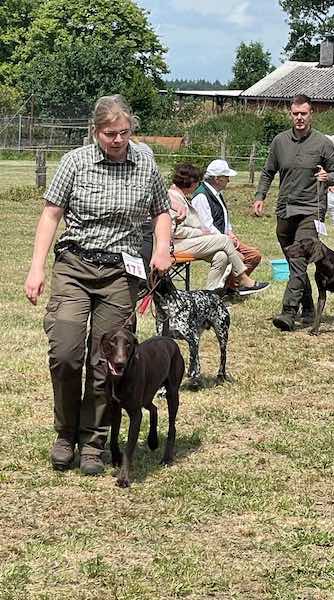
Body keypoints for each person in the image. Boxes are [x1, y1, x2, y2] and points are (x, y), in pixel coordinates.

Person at [24, 95, 173, 476]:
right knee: (66, 351)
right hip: (75, 265)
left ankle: (94, 440)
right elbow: (51, 213)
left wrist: (161, 249)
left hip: (120, 274)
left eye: (124, 133)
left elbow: (161, 212)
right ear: (96, 132)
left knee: (109, 361)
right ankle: (65, 433)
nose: (118, 140)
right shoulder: (76, 161)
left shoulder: (145, 163)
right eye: (110, 134)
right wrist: (36, 268)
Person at [253, 94, 334, 332]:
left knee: (299, 261)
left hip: (311, 210)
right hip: (284, 210)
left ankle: (289, 312)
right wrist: (260, 196)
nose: (299, 118)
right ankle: (310, 309)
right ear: (290, 114)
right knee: (296, 264)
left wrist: (328, 176)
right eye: (295, 114)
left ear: (311, 114)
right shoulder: (280, 141)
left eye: (304, 113)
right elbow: (268, 172)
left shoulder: (323, 143)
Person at [168, 163, 269, 294]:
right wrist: (200, 232)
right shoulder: (173, 197)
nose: (198, 185)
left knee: (221, 256)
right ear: (191, 183)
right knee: (223, 240)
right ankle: (243, 279)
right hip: (174, 245)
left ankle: (213, 297)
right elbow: (175, 231)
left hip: (186, 242)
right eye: (197, 183)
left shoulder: (180, 196)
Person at [191, 159, 265, 290]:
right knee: (240, 257)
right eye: (226, 177)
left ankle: (230, 287)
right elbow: (206, 227)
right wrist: (226, 239)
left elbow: (224, 217)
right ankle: (234, 285)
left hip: (224, 237)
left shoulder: (217, 193)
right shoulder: (201, 196)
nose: (229, 180)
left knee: (254, 255)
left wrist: (230, 233)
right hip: (211, 240)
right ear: (217, 179)